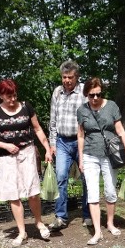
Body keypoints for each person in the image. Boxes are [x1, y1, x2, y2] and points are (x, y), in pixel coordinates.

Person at [0, 79, 53, 246]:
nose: (12, 99)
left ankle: (39, 222)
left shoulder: (26, 107)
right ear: (0, 95)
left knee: (33, 191)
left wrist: (47, 148)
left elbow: (37, 129)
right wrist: (5, 145)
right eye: (8, 96)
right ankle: (22, 232)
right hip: (6, 158)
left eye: (14, 95)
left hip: (27, 153)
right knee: (13, 195)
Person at [77, 77, 125, 245]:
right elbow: (80, 135)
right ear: (86, 94)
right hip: (89, 154)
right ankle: (97, 231)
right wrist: (80, 158)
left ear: (102, 93)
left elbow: (120, 131)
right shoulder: (82, 110)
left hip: (110, 155)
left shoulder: (111, 107)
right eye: (91, 95)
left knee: (110, 190)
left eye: (98, 94)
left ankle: (110, 222)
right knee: (92, 193)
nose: (95, 98)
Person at [48, 59, 89, 230]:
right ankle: (61, 217)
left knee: (87, 178)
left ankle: (88, 215)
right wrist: (52, 144)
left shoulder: (84, 92)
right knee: (61, 177)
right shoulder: (58, 92)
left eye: (70, 77)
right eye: (64, 77)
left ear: (76, 77)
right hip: (62, 142)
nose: (66, 81)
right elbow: (53, 120)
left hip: (82, 141)